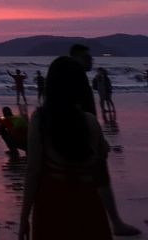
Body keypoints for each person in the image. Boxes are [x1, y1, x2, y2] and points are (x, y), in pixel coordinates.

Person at [19, 56, 111, 240]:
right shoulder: (91, 122)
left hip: (52, 202)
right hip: (88, 202)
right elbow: (102, 159)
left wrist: (24, 217)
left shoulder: (41, 120)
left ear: (50, 86)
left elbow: (33, 172)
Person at [67, 44, 139, 235]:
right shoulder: (76, 79)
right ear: (74, 58)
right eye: (85, 58)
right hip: (84, 137)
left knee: (89, 180)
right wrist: (97, 139)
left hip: (83, 136)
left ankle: (97, 223)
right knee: (100, 179)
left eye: (90, 58)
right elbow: (81, 112)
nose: (90, 61)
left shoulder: (76, 78)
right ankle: (115, 223)